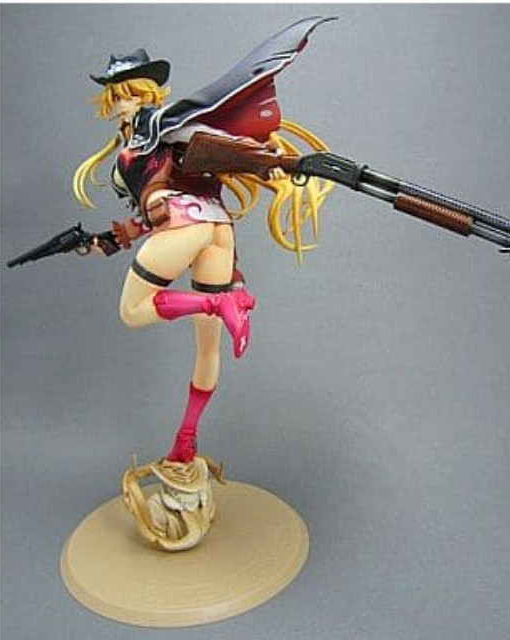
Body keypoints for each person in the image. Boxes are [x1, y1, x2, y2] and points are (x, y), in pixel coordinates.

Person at [72, 18, 334, 468]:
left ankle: (220, 304)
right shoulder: (143, 138)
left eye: (127, 94)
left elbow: (205, 140)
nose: (120, 104)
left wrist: (266, 160)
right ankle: (186, 441)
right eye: (115, 96)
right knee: (207, 349)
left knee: (132, 312)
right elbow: (152, 210)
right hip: (215, 231)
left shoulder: (158, 125)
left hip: (185, 226)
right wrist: (107, 241)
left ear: (145, 94)